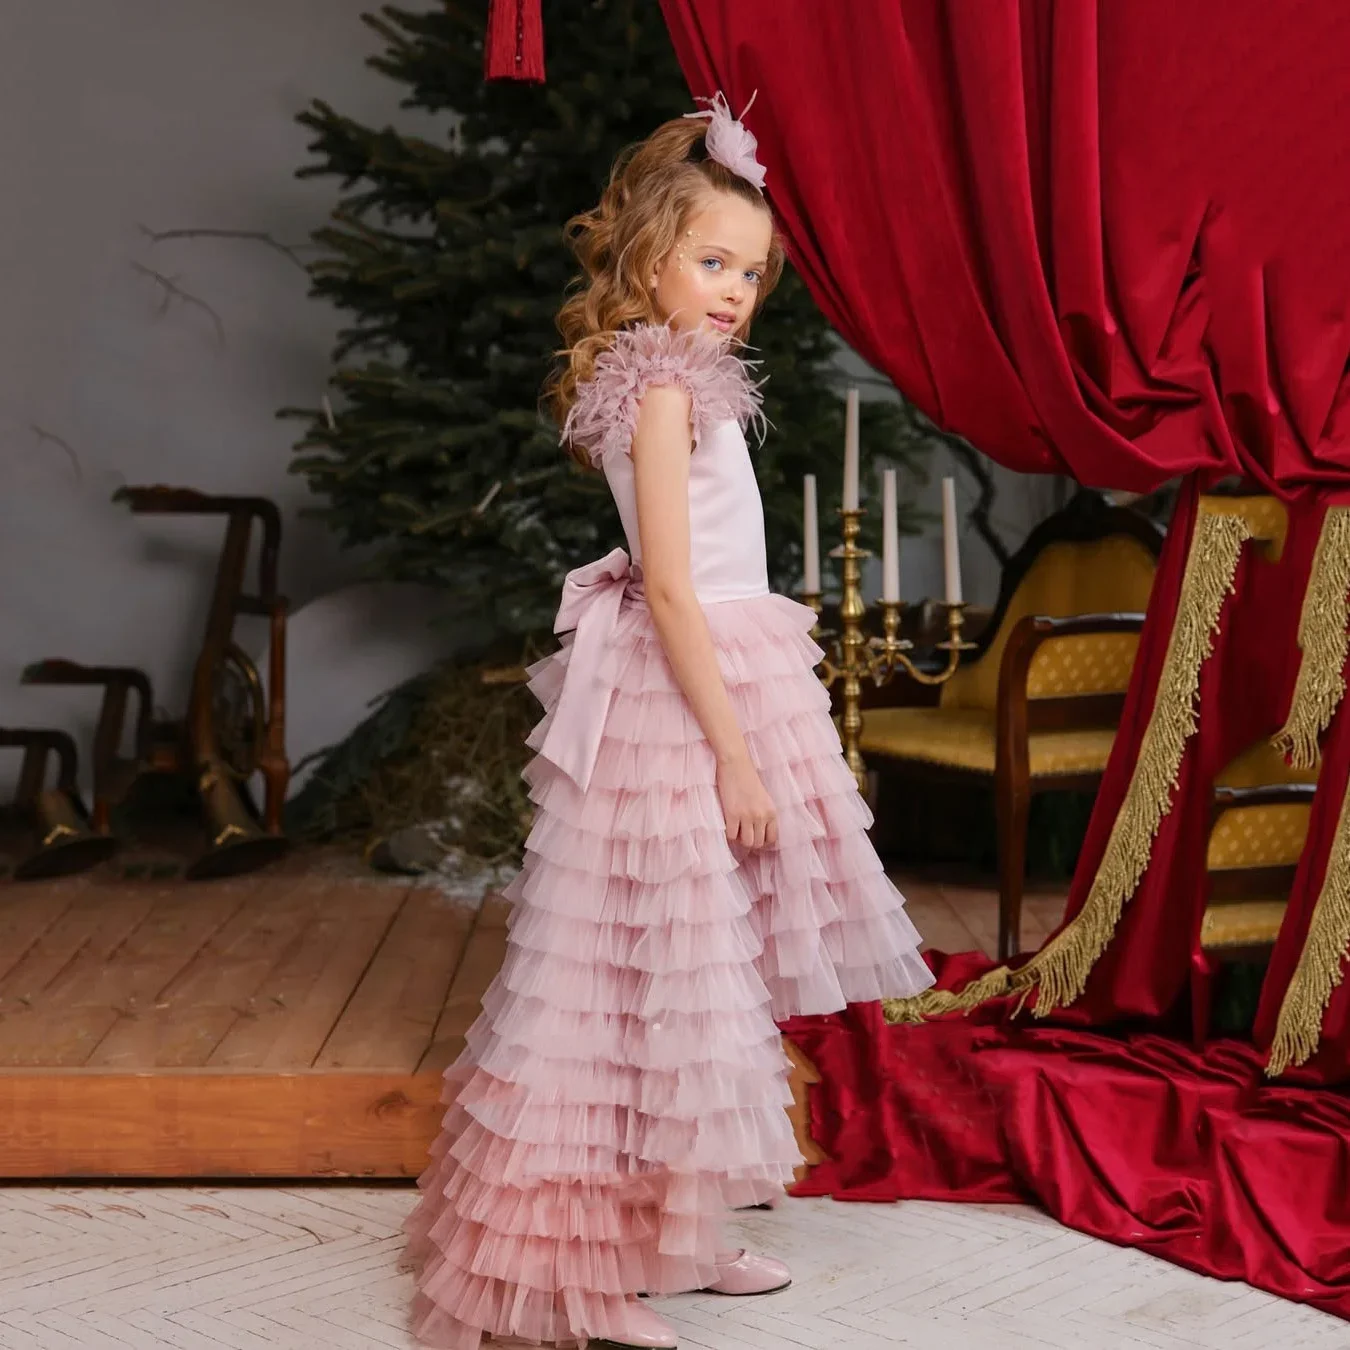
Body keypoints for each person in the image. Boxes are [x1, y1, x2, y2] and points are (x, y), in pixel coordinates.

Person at [404, 92, 934, 1350]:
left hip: (726, 663)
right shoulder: (654, 387)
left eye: (752, 272)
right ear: (651, 261)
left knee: (701, 978)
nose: (736, 290)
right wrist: (739, 757)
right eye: (712, 262)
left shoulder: (690, 376)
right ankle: (572, 1271)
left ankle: (673, 1235)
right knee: (630, 975)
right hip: (683, 695)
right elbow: (675, 588)